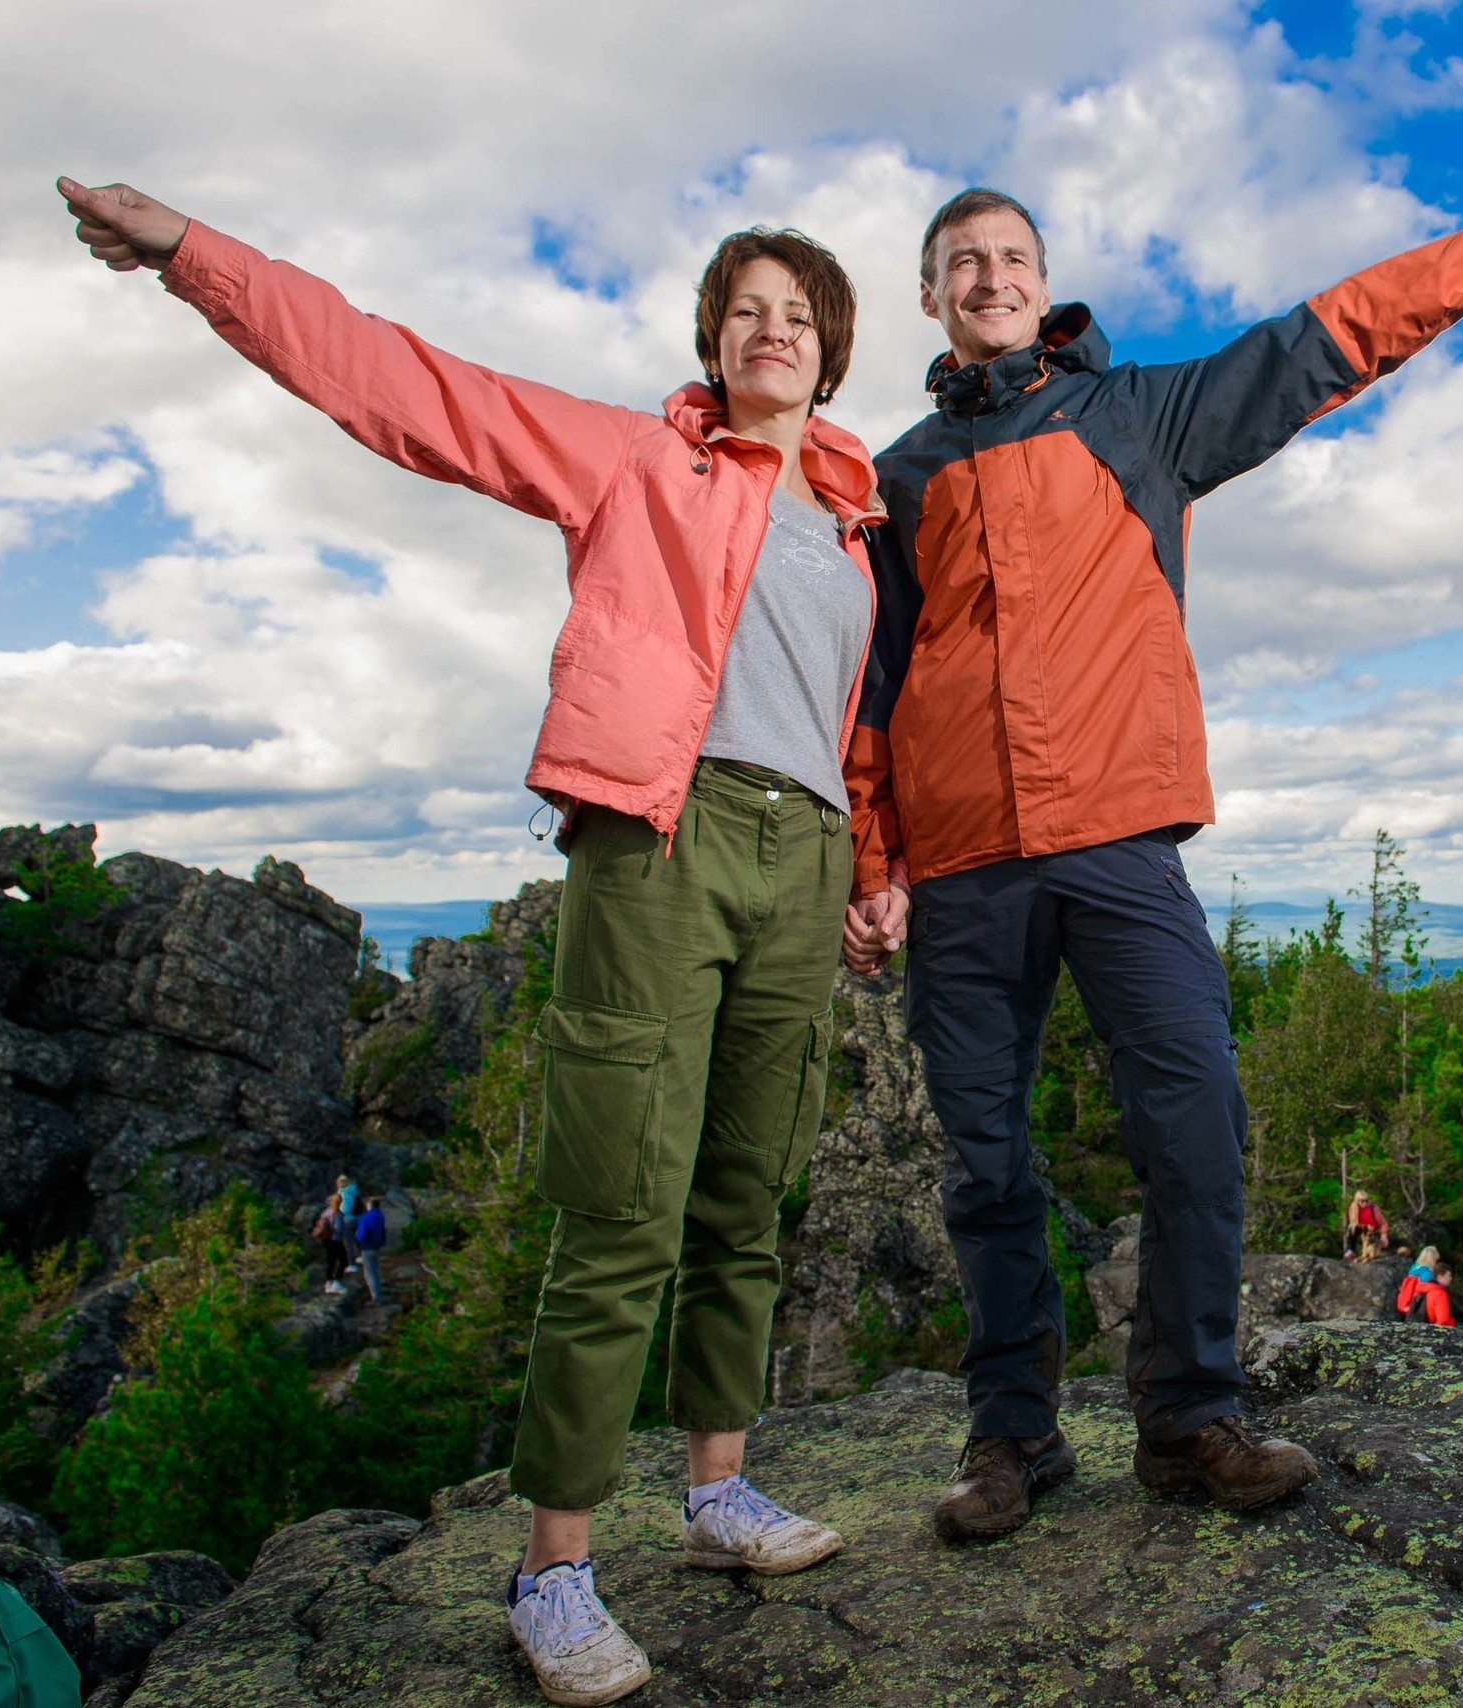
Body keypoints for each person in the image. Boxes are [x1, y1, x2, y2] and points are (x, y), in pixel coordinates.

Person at [59, 176, 878, 1708]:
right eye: (747, 310)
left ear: (831, 356)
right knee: (621, 1204)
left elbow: (849, 730)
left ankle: (717, 1492)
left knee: (748, 1196)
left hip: (803, 859)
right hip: (662, 836)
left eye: (801, 317)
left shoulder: (851, 522)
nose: (773, 332)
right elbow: (405, 386)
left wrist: (871, 869)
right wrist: (195, 258)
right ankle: (553, 1567)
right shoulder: (638, 461)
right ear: (713, 340)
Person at [840, 156, 1463, 1544]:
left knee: (1196, 1127)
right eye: (963, 264)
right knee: (985, 1162)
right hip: (961, 863)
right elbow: (873, 685)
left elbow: (1325, 339)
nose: (990, 279)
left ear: (1045, 287)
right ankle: (1012, 1439)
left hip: (1120, 837)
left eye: (1011, 257)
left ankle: (1188, 1418)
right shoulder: (903, 478)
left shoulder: (1147, 414)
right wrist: (872, 857)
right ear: (933, 301)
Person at [352, 1198, 389, 1306]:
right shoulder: (380, 1216)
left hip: (367, 1247)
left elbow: (362, 1235)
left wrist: (358, 1239)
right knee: (375, 1271)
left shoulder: (366, 1217)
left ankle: (376, 1298)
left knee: (370, 1273)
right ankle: (378, 1294)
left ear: (370, 1205)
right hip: (377, 1246)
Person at [312, 1193, 349, 1295]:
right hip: (336, 1240)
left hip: (326, 1240)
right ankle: (337, 1282)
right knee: (343, 1261)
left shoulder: (325, 1212)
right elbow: (338, 1229)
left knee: (331, 1261)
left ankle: (329, 1283)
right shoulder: (337, 1214)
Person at [1344, 1191, 1389, 1262]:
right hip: (1363, 1229)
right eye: (1362, 1201)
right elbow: (1353, 1222)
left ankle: (1372, 1252)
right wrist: (1366, 1226)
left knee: (1374, 1251)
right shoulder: (1353, 1207)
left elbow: (1383, 1223)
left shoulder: (1373, 1208)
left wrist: (1384, 1235)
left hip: (1374, 1231)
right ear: (1357, 1201)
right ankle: (1350, 1251)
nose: (1364, 1203)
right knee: (1351, 1228)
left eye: (1366, 1200)